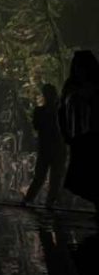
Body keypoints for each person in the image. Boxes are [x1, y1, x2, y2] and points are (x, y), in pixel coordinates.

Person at [59, 50, 99, 212]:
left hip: (92, 136)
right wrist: (65, 134)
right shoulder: (70, 86)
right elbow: (61, 112)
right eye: (76, 66)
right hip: (78, 138)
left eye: (81, 66)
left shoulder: (94, 86)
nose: (78, 70)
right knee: (81, 179)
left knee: (88, 177)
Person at [22, 83, 67, 207]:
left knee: (42, 177)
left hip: (47, 147)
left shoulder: (41, 111)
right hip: (56, 147)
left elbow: (36, 126)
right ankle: (49, 202)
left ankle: (29, 200)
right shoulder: (59, 111)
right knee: (53, 178)